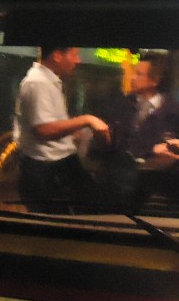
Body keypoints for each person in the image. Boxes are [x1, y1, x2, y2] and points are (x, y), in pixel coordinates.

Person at [14, 46, 110, 208]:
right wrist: (87, 120)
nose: (78, 60)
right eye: (75, 54)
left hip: (57, 165)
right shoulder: (38, 82)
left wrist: (72, 132)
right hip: (46, 169)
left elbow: (48, 125)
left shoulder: (48, 81)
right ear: (57, 55)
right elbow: (44, 130)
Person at [101, 53, 179, 160]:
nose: (132, 77)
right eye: (134, 72)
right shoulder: (121, 104)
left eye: (138, 74)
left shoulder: (177, 113)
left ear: (155, 80)